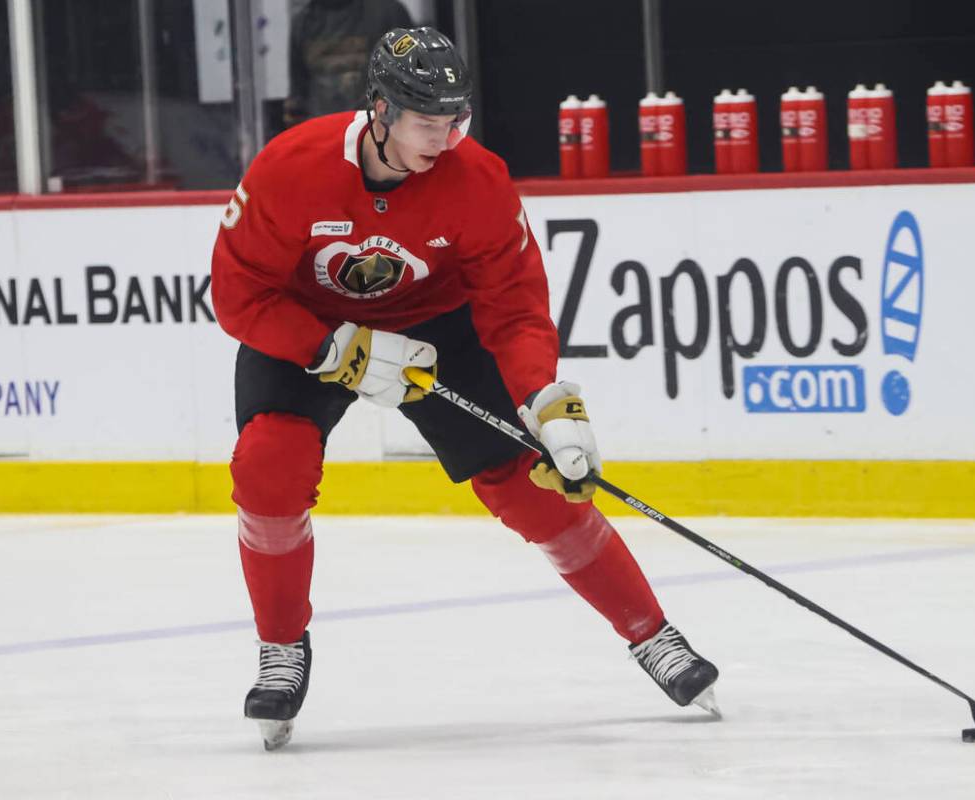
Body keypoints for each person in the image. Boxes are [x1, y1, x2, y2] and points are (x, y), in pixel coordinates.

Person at [211, 26, 719, 751]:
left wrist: (547, 402)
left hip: (436, 329)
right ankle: (282, 648)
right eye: (427, 122)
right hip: (309, 326)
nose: (446, 138)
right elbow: (237, 296)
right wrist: (330, 349)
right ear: (380, 111)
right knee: (268, 467)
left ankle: (653, 635)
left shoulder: (476, 179)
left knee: (528, 488)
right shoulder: (289, 168)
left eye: (457, 120)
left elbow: (514, 308)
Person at [281, 0, 413, 128]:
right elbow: (298, 95)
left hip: (377, 134)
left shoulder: (390, 13)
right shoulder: (303, 23)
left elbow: (414, 81)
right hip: (326, 135)